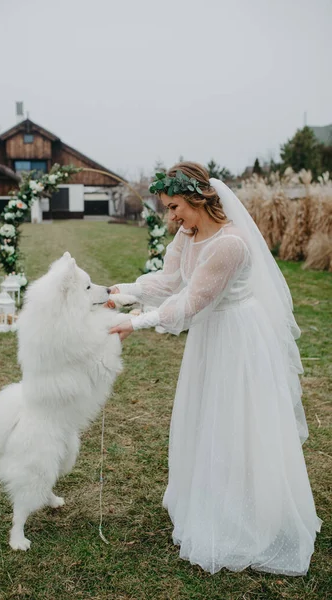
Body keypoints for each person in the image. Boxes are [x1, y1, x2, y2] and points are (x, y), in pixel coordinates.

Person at [109, 162, 321, 576]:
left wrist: (135, 322)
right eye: (167, 210)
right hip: (211, 338)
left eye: (174, 207)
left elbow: (190, 303)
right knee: (208, 418)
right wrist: (125, 292)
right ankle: (211, 499)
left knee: (237, 422)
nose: (171, 218)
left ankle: (248, 517)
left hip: (238, 338)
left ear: (196, 198)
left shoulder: (230, 245)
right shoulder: (188, 236)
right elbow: (169, 282)